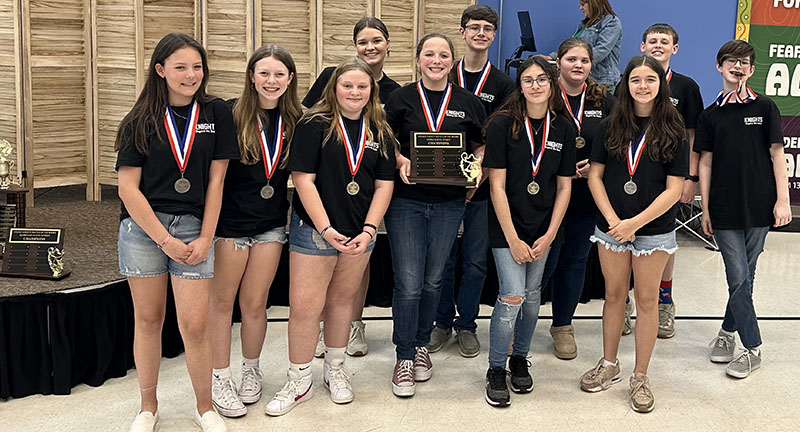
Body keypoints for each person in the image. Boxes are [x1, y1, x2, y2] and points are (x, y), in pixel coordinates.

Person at [115, 33, 238, 432]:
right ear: (160, 70)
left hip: (194, 227)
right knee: (148, 320)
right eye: (180, 67)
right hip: (144, 229)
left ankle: (205, 408)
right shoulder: (139, 119)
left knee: (195, 326)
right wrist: (164, 240)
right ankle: (147, 407)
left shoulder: (216, 112)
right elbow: (127, 188)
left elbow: (218, 182)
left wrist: (205, 237)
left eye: (197, 67)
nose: (190, 75)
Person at [264, 58, 396, 416]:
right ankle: (299, 379)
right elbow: (302, 179)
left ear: (372, 92)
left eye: (362, 87)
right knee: (306, 308)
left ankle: (335, 372)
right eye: (347, 85)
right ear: (334, 88)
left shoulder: (380, 131)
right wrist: (325, 228)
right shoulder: (314, 124)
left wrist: (370, 229)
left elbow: (385, 184)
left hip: (360, 234)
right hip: (316, 233)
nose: (355, 92)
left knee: (341, 303)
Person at [580, 55, 686, 413]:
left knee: (646, 301)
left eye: (650, 80)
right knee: (613, 297)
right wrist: (614, 221)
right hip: (612, 228)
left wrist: (634, 224)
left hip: (653, 231)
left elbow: (674, 190)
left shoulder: (673, 127)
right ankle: (609, 363)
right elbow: (595, 176)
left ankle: (640, 375)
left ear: (660, 85)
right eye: (636, 79)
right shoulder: (610, 125)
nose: (642, 86)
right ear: (625, 84)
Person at [384, 33, 486, 397]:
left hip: (449, 203)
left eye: (444, 55)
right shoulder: (400, 99)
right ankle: (404, 356)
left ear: (451, 61)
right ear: (417, 59)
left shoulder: (468, 102)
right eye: (429, 54)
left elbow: (479, 144)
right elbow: (386, 140)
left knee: (433, 279)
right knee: (409, 281)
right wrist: (400, 161)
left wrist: (476, 168)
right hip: (406, 203)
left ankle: (422, 344)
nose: (437, 60)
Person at [208, 45, 302, 418]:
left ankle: (251, 370)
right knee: (222, 303)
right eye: (264, 73)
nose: (271, 81)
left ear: (290, 80)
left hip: (270, 226)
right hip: (230, 225)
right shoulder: (230, 114)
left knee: (255, 304)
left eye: (279, 74)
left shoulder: (297, 120)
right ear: (251, 76)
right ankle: (220, 376)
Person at [304, 17, 401, 359]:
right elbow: (307, 119)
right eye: (363, 41)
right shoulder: (331, 77)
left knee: (356, 262)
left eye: (376, 40)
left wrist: (402, 161)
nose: (370, 47)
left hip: (365, 195)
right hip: (326, 188)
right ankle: (319, 326)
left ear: (387, 44)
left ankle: (353, 324)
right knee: (319, 265)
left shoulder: (395, 92)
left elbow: (394, 143)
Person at [482, 56, 575, 407]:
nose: (534, 85)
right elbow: (496, 186)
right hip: (507, 226)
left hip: (544, 228)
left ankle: (519, 358)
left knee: (533, 296)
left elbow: (564, 187)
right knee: (512, 296)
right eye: (527, 80)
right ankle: (495, 367)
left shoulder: (563, 128)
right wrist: (512, 239)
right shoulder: (503, 125)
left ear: (552, 84)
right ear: (519, 86)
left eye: (541, 79)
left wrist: (551, 234)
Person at [696, 40, 791, 379]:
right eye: (731, 61)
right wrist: (705, 207)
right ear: (720, 66)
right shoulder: (709, 115)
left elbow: (777, 155)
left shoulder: (765, 107)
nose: (738, 67)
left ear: (751, 70)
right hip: (723, 208)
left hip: (760, 206)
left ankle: (726, 332)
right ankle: (753, 348)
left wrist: (782, 200)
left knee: (744, 278)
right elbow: (704, 164)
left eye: (745, 63)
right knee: (738, 276)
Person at [428, 4, 515, 358]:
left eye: (487, 29)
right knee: (443, 259)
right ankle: (441, 322)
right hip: (442, 185)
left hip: (484, 185)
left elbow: (507, 136)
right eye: (474, 27)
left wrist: (480, 175)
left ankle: (466, 325)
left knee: (476, 261)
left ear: (493, 37)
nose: (481, 33)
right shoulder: (443, 74)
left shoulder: (504, 84)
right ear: (462, 32)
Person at [539, 37, 616, 360]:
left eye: (584, 61)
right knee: (541, 262)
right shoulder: (542, 94)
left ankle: (562, 325)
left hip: (586, 195)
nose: (579, 66)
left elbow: (620, 142)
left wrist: (598, 165)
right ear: (559, 62)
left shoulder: (604, 100)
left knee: (574, 261)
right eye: (572, 59)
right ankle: (521, 322)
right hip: (544, 194)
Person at [636, 23, 704, 339]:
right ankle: (624, 301)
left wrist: (689, 178)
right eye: (653, 41)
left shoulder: (686, 87)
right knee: (624, 238)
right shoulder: (630, 81)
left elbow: (691, 136)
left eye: (665, 41)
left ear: (674, 49)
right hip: (631, 176)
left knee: (664, 240)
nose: (659, 45)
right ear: (642, 46)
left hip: (670, 179)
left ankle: (664, 302)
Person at [573, 0, 622, 89]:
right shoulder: (584, 25)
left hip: (602, 82)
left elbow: (601, 50)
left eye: (583, 4)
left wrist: (575, 60)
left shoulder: (612, 22)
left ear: (594, 4)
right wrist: (553, 57)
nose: (581, 8)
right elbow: (570, 48)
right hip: (585, 80)